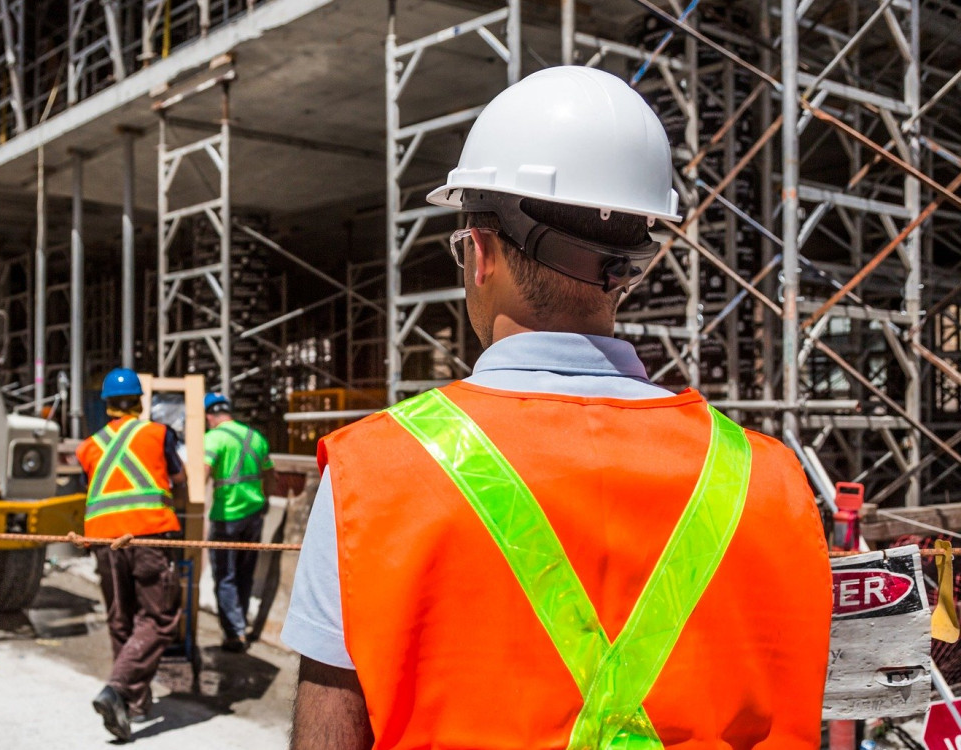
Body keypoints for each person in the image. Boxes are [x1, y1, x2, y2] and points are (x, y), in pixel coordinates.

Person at [283, 66, 831, 749]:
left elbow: (329, 734)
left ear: (479, 252)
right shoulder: (772, 481)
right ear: (628, 266)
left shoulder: (373, 475)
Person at [76, 367, 188, 743]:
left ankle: (134, 705)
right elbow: (180, 477)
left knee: (121, 619)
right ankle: (118, 689)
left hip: (104, 543)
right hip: (147, 535)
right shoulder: (158, 434)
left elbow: (91, 490)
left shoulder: (88, 446)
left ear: (106, 404)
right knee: (161, 619)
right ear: (141, 402)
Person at [202, 392, 279, 652]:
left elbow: (202, 472)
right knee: (245, 573)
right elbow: (270, 475)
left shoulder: (214, 438)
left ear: (209, 416)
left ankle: (234, 634)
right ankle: (241, 624)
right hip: (253, 516)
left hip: (226, 517)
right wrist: (264, 500)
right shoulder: (255, 437)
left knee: (225, 575)